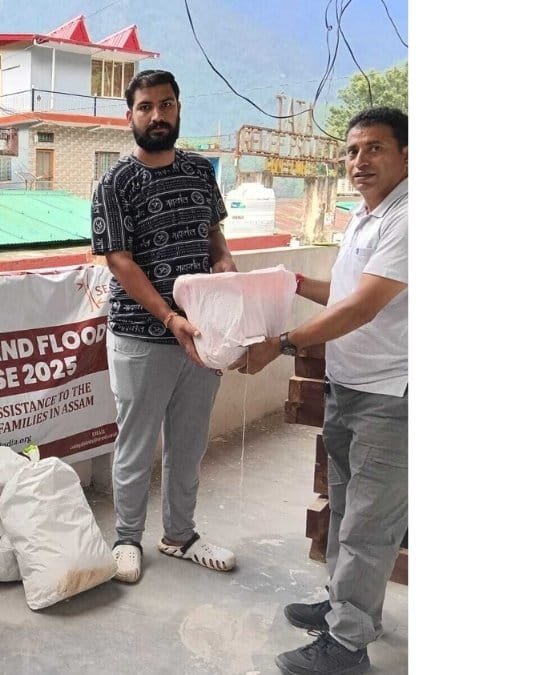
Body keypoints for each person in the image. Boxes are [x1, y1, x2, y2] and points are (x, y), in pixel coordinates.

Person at [233, 106, 408, 675]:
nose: (360, 161)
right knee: (344, 507)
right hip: (348, 384)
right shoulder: (366, 216)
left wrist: (282, 343)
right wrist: (292, 281)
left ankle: (348, 646)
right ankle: (343, 607)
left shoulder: (412, 218)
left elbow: (363, 307)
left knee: (368, 524)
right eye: (353, 151)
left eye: (375, 148)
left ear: (407, 155)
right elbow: (346, 292)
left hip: (392, 394)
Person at [91, 69, 238, 584]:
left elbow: (213, 232)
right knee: (136, 444)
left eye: (166, 105)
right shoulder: (114, 183)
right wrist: (170, 317)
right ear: (129, 115)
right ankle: (126, 539)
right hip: (141, 336)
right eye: (146, 106)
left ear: (178, 108)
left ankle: (180, 536)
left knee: (189, 444)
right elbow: (119, 261)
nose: (157, 115)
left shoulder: (200, 171)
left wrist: (222, 261)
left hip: (202, 335)